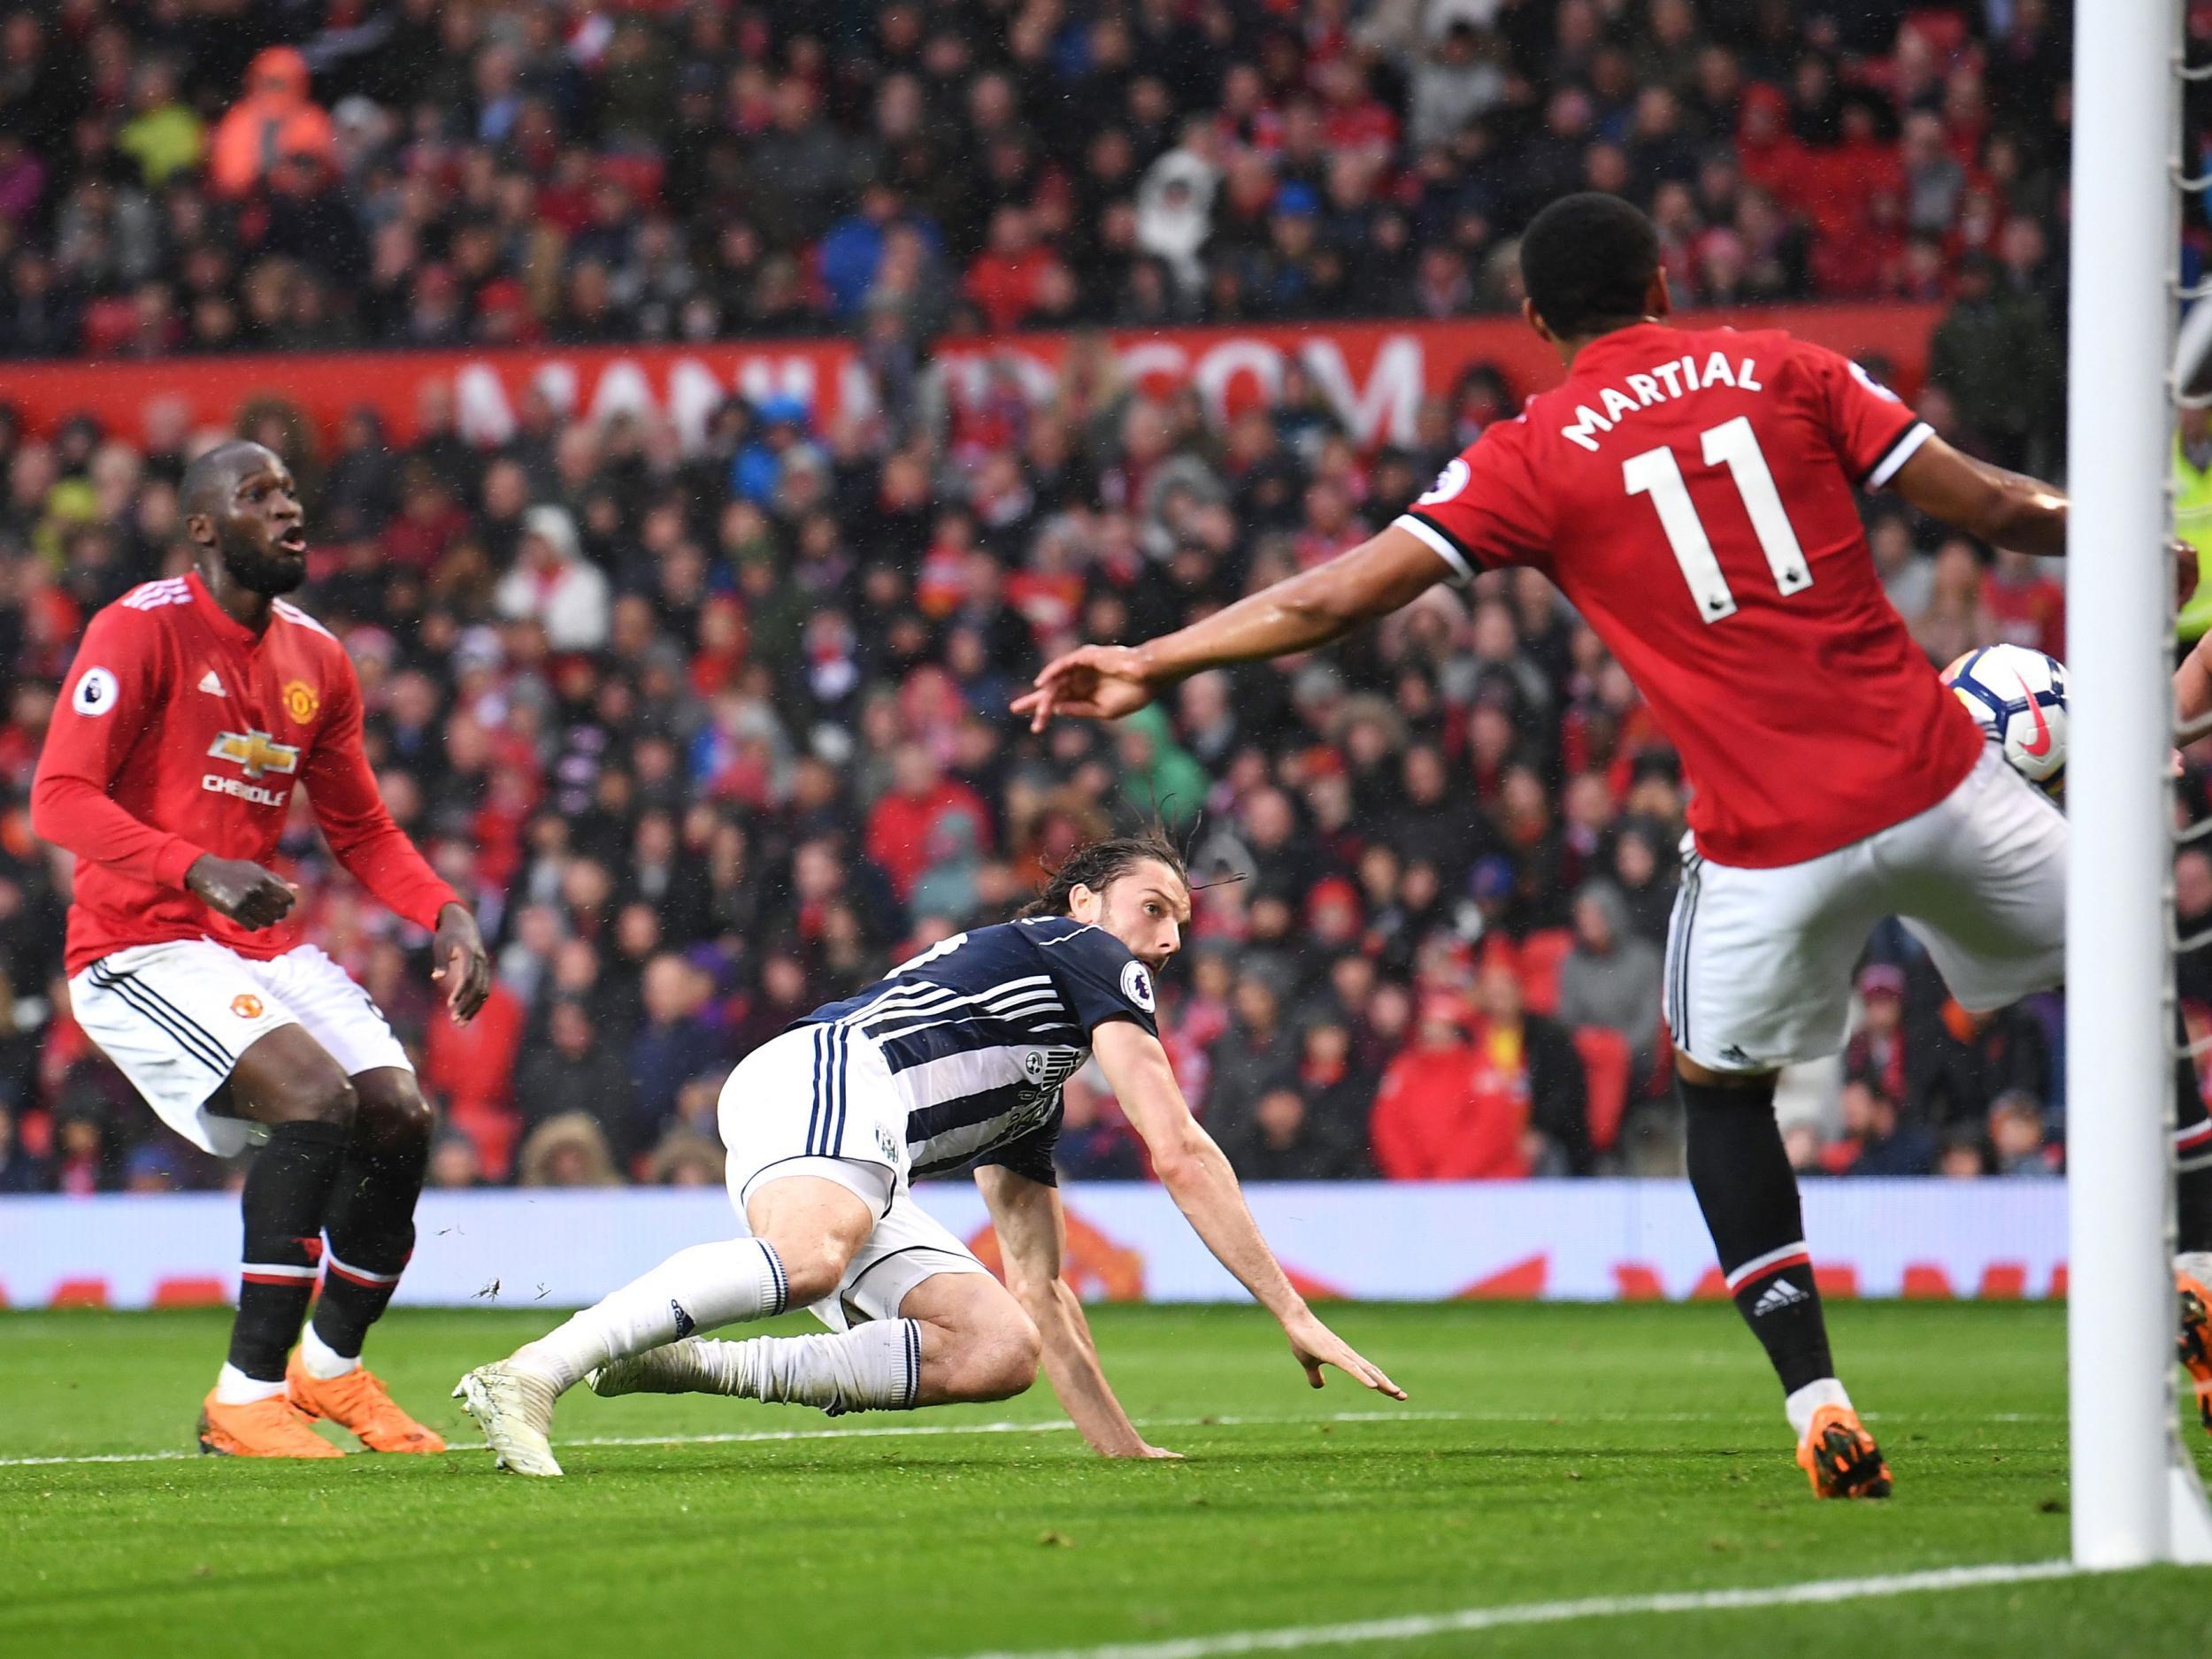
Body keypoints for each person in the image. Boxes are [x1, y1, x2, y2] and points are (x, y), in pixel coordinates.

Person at [1016, 192, 2115, 1500]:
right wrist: (2122, 537)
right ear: (1664, 276)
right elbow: (1993, 502)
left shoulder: (1530, 452)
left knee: (1719, 1096)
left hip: (1768, 838)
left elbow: (1332, 596)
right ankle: (2195, 1270)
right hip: (1936, 772)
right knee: (2140, 976)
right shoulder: (1790, 366)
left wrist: (1150, 654)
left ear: (1535, 321)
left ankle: (1817, 1395)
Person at [454, 833, 1402, 1476]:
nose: (1166, 939)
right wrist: (1290, 1307)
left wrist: (1125, 1452)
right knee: (813, 1257)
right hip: (831, 1072)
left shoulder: (1032, 1077)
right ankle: (532, 1372)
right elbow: (1179, 1149)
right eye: (1153, 909)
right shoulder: (1082, 949)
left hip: (849, 1139)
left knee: (997, 1348)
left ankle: (684, 1363)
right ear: (1084, 902)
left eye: (1181, 924)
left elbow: (1043, 1288)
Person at [29, 440, 493, 1458]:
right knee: (313, 1101)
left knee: (398, 1116)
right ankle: (243, 1397)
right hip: (138, 943)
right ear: (203, 529)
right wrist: (194, 868)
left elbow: (362, 828)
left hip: (257, 946)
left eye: (290, 491)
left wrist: (445, 912)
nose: (288, 509)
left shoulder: (316, 658)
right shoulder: (137, 630)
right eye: (258, 495)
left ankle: (327, 1373)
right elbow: (57, 798)